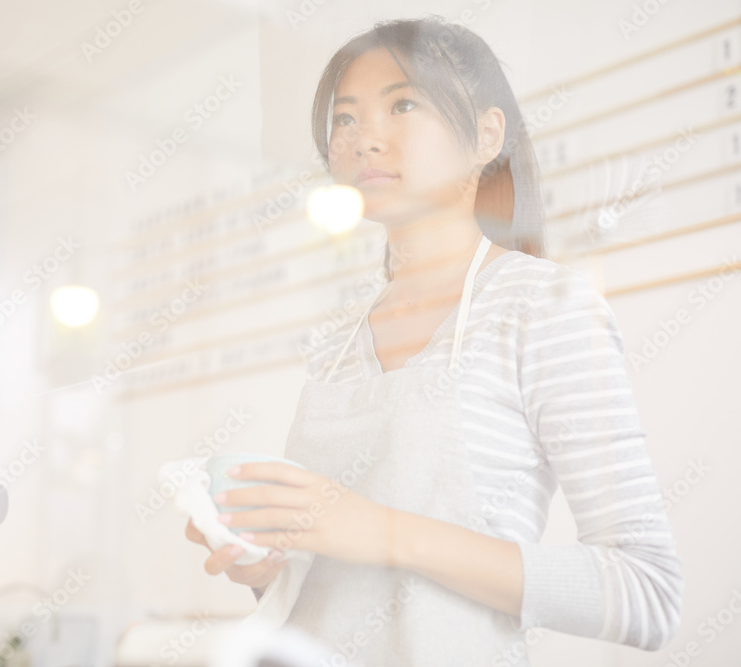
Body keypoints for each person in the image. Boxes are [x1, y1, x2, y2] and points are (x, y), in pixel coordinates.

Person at [185, 16, 683, 665]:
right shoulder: (337, 342)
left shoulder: (544, 307)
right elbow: (335, 589)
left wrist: (383, 530)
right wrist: (265, 570)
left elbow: (647, 592)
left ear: (485, 135)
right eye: (345, 119)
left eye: (404, 104)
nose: (366, 139)